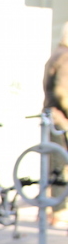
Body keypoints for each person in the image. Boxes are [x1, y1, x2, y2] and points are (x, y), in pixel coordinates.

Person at [43, 23, 68, 223]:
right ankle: (58, 209)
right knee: (60, 164)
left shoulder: (57, 54)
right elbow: (62, 91)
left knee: (54, 162)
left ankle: (52, 207)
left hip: (51, 116)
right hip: (60, 118)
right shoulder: (65, 56)